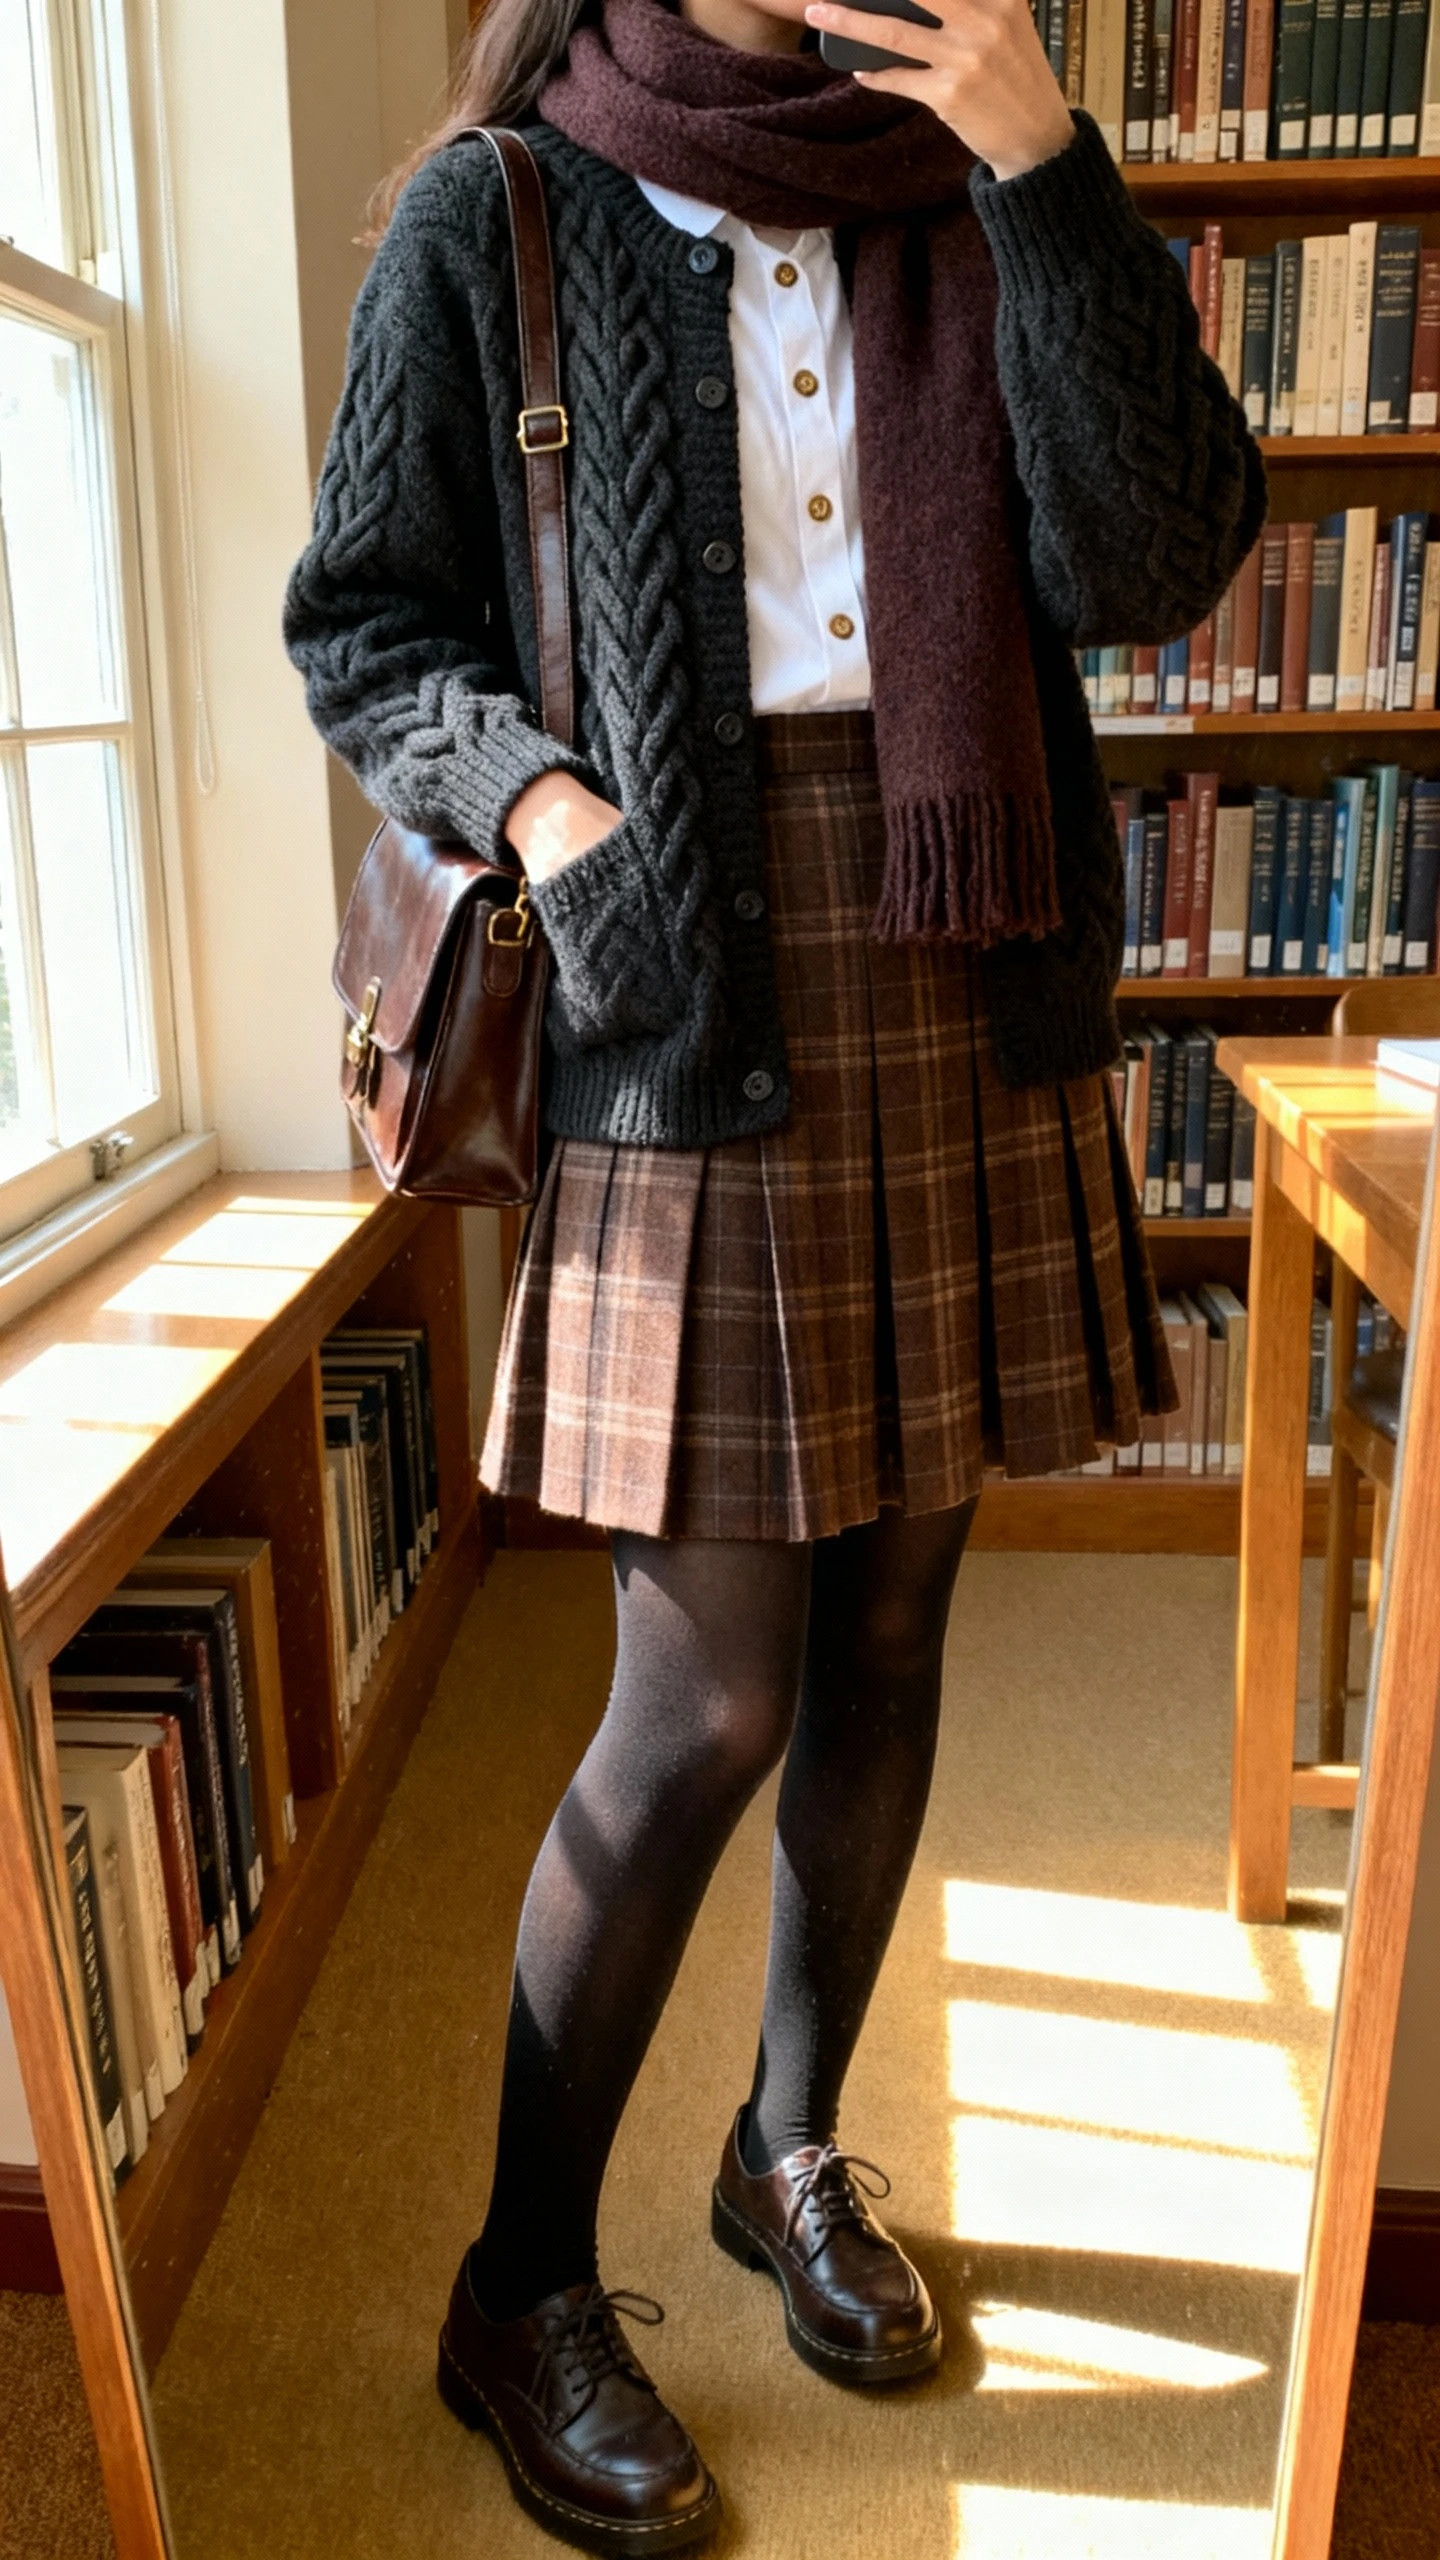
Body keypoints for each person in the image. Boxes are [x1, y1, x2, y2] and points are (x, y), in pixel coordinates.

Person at [285, 0, 1265, 2544]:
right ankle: (518, 2273)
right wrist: (549, 801)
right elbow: (362, 626)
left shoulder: (974, 168)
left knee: (902, 1627)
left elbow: (1158, 564)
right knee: (704, 1688)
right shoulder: (489, 213)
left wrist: (1048, 166)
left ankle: (791, 2144)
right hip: (675, 969)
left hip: (964, 944)